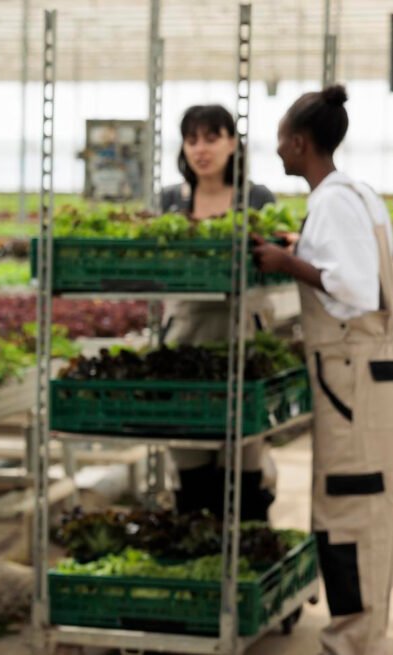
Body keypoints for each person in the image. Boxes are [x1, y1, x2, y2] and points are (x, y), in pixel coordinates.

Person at [254, 85, 393, 655]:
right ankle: (360, 634)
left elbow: (355, 288)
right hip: (367, 372)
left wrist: (286, 261)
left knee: (348, 507)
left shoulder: (332, 201)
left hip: (348, 374)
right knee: (363, 506)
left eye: (281, 139)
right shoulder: (358, 193)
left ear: (300, 141)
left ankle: (352, 641)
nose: (277, 150)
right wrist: (300, 246)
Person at [158, 105, 278, 523]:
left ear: (232, 143)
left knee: (244, 483)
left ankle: (242, 567)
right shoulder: (171, 201)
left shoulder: (256, 198)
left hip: (241, 347)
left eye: (212, 138)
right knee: (192, 484)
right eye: (192, 140)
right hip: (183, 347)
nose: (201, 149)